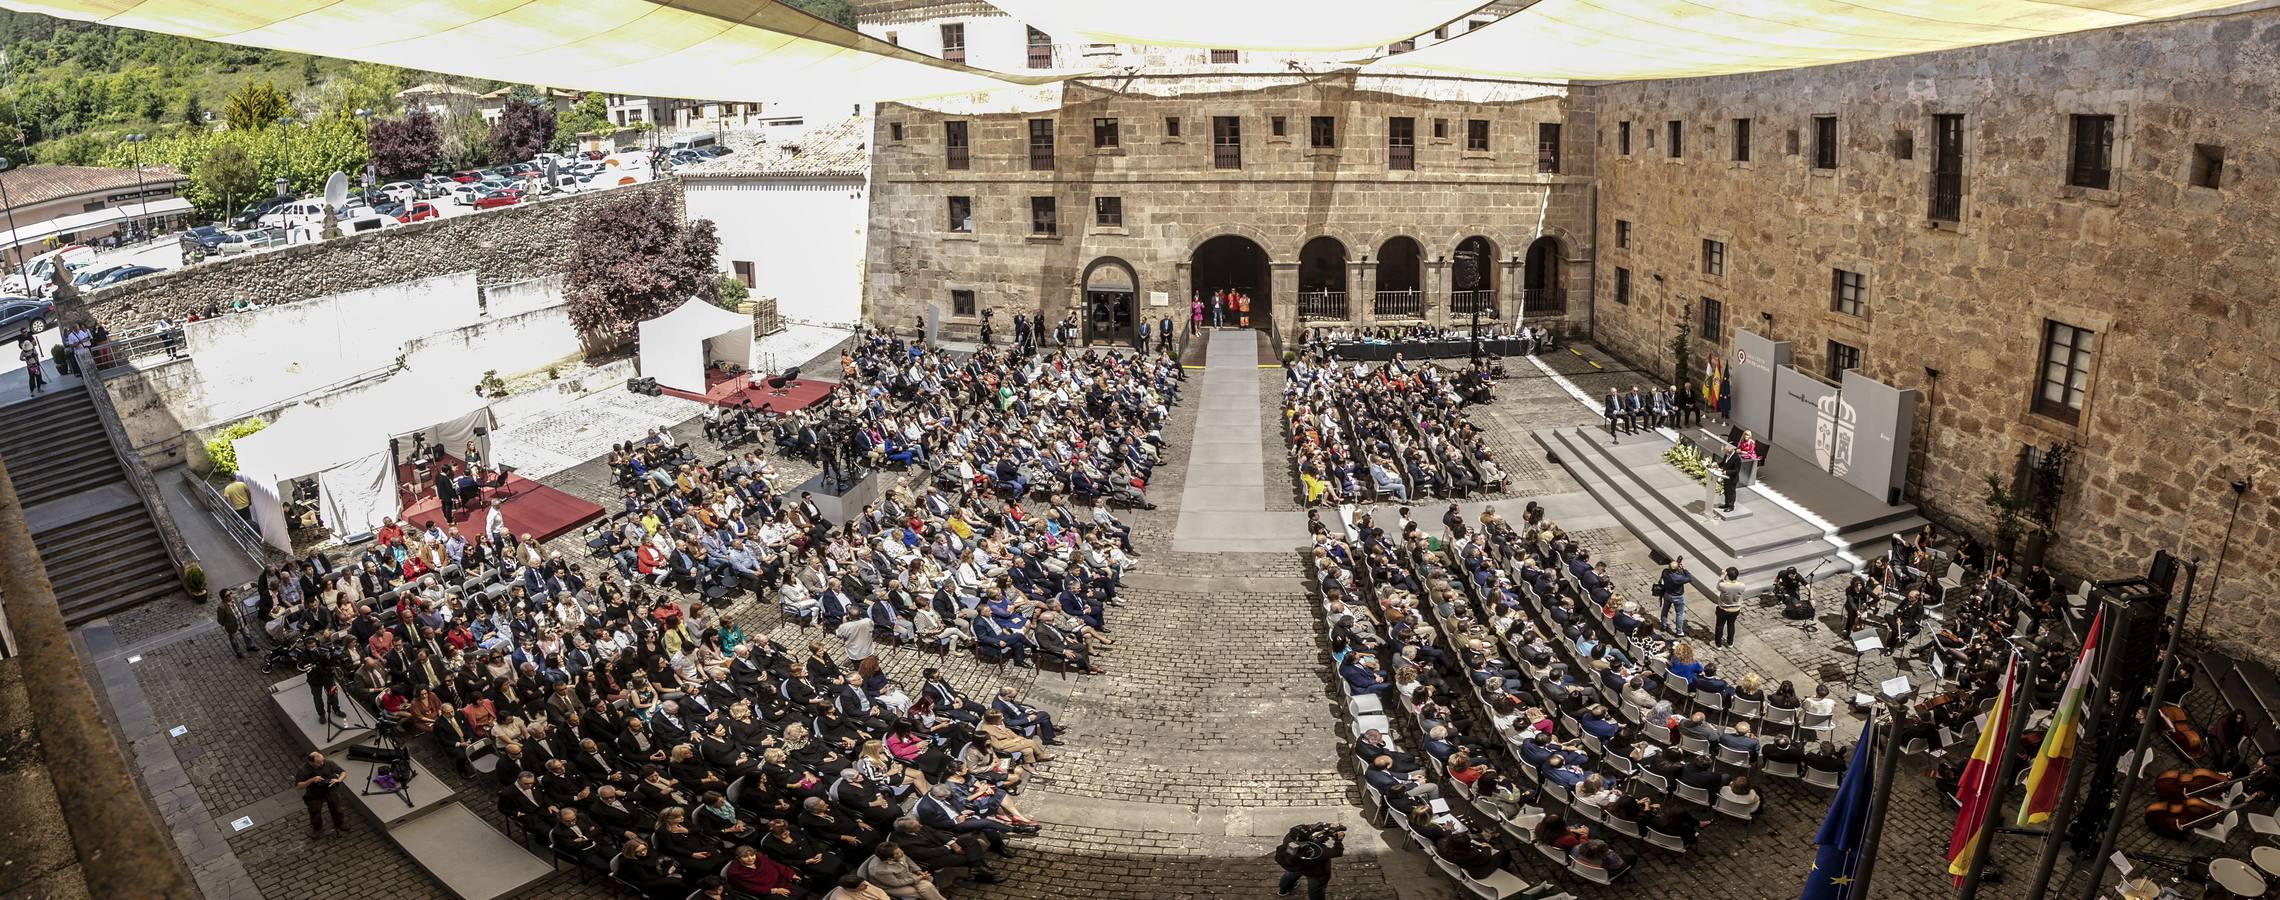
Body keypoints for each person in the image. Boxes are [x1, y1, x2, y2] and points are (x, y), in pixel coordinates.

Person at [1274, 823, 1344, 899]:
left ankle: (1284, 890)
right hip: (1315, 872)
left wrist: (1326, 825)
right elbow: (1337, 852)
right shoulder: (1316, 851)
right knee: (1316, 890)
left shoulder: (1289, 838)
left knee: (1289, 876)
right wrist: (1338, 841)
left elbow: (1305, 832)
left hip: (1294, 866)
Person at [295, 750, 350, 833]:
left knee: (337, 808)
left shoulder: (328, 763)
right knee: (314, 812)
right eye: (319, 763)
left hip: (331, 790)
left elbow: (343, 772)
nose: (322, 764)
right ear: (311, 762)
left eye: (322, 761)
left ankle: (340, 823)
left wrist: (338, 780)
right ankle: (317, 828)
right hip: (314, 794)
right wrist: (312, 780)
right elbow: (299, 786)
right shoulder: (304, 770)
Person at [1659, 557, 1693, 635]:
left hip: (1667, 594)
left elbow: (1669, 570)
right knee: (1679, 614)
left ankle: (1663, 626)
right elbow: (1689, 578)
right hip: (1677, 597)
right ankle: (1679, 631)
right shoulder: (1679, 578)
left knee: (1665, 610)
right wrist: (1684, 569)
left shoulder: (1665, 572)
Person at [1713, 567, 1745, 647]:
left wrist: (1722, 576)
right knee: (1731, 625)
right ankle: (1730, 642)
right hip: (1735, 609)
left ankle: (1718, 644)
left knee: (1719, 626)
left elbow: (1718, 586)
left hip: (1723, 609)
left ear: (1727, 575)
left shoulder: (1723, 586)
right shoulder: (1742, 585)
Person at [215, 587, 251, 656]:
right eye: (227, 595)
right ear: (223, 598)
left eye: (230, 594)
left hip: (241, 622)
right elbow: (220, 620)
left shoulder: (234, 599)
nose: (230, 596)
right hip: (231, 626)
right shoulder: (221, 607)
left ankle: (250, 646)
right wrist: (226, 624)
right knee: (233, 640)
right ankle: (238, 652)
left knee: (247, 634)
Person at [1719, 445, 1742, 512]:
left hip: (1732, 479)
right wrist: (1717, 464)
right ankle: (1726, 504)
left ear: (1730, 451)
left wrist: (1727, 472)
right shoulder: (1727, 455)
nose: (1725, 453)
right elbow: (1723, 463)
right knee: (1726, 491)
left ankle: (1731, 506)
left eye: (1725, 452)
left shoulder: (1737, 458)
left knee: (1731, 492)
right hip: (1726, 477)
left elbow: (1736, 470)